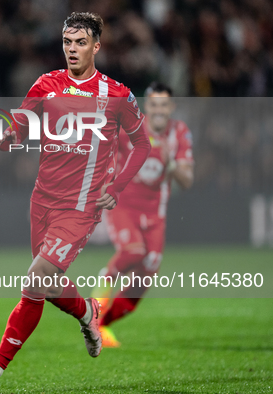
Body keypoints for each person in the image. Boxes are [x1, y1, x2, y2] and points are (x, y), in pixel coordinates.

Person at [0, 12, 151, 392]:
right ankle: (88, 312)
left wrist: (116, 187)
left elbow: (143, 143)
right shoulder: (46, 83)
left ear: (97, 46)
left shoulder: (115, 94)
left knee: (34, 281)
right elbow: (18, 129)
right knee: (47, 286)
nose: (72, 49)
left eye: (81, 43)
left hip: (81, 207)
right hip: (42, 201)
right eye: (67, 42)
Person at [91, 81, 194, 347]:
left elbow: (187, 180)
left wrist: (171, 162)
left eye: (164, 105)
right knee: (133, 252)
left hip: (155, 214)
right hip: (124, 206)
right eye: (154, 105)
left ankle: (102, 325)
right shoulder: (130, 127)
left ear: (171, 107)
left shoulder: (179, 133)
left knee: (146, 273)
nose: (159, 110)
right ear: (147, 106)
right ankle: (99, 295)